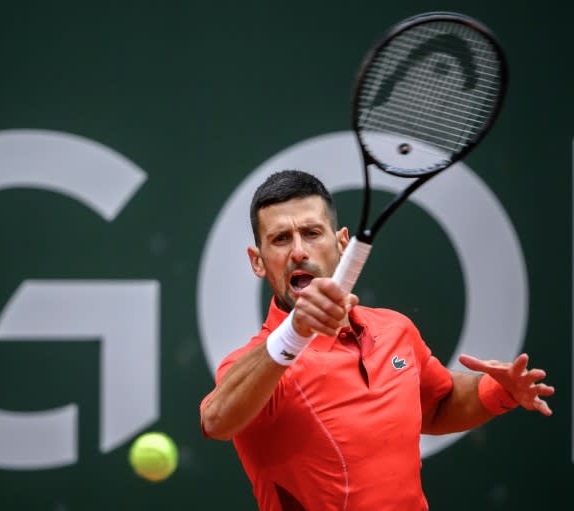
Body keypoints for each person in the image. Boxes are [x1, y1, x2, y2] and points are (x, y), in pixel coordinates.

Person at [199, 170, 554, 510]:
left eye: (311, 233)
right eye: (280, 239)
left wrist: (498, 391)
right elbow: (216, 420)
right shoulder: (260, 365)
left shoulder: (395, 330)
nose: (298, 252)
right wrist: (295, 331)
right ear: (257, 262)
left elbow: (436, 406)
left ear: (341, 243)